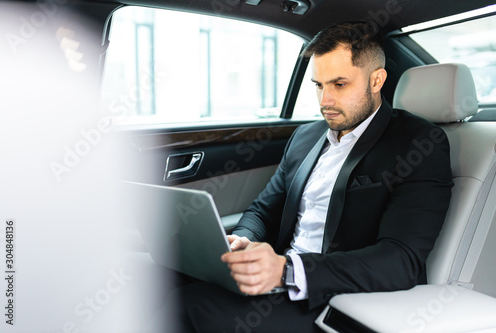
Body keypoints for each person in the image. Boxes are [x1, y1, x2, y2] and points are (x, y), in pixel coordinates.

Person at [171, 21, 453, 332]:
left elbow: (402, 261)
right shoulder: (305, 137)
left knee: (186, 308)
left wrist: (287, 270)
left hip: (336, 296)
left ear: (377, 80)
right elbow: (263, 210)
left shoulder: (418, 143)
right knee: (155, 279)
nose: (324, 101)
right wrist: (245, 239)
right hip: (279, 277)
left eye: (339, 84)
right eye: (319, 85)